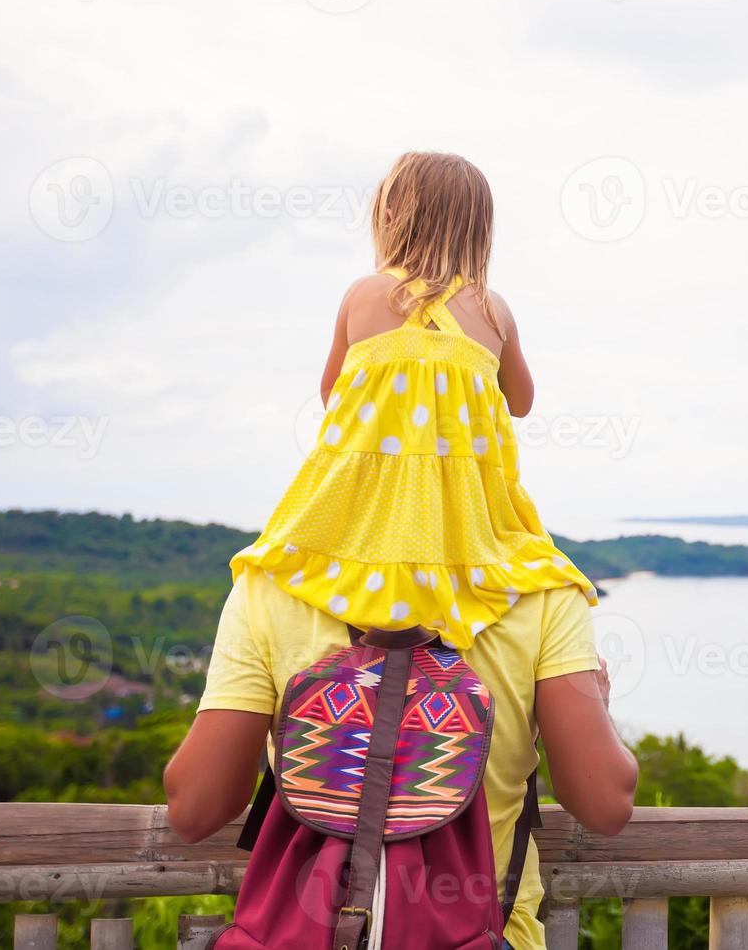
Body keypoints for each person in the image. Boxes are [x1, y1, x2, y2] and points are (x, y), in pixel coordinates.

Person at [164, 151, 639, 950]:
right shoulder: (542, 594)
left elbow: (192, 811)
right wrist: (597, 694)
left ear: (387, 220)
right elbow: (606, 805)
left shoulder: (274, 587)